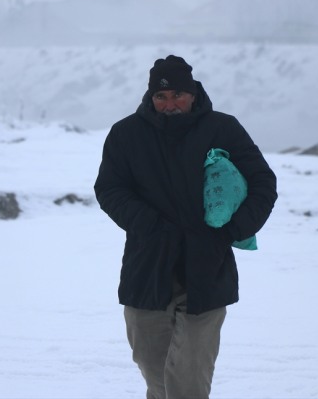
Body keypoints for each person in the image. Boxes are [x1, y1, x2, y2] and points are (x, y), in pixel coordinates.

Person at [94, 55, 278, 399]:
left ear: (193, 93)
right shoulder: (126, 134)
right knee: (155, 373)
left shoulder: (223, 128)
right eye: (161, 97)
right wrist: (146, 223)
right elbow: (109, 188)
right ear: (151, 98)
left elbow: (262, 183)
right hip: (147, 267)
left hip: (206, 268)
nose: (169, 104)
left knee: (188, 383)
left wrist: (230, 230)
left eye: (178, 95)